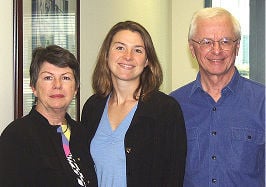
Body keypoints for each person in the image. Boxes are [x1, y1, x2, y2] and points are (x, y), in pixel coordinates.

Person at [81, 20, 187, 187]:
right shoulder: (92, 107)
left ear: (147, 61)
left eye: (137, 50)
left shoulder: (166, 110)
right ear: (107, 54)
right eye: (120, 47)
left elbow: (174, 176)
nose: (128, 56)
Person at [170, 7, 265, 187]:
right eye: (206, 42)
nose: (216, 50)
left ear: (237, 47)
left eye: (225, 41)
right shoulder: (173, 105)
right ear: (192, 48)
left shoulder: (262, 102)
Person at [0, 45, 97, 186]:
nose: (57, 85)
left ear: (75, 89)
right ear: (33, 87)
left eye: (65, 77)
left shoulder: (82, 134)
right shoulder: (17, 136)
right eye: (48, 77)